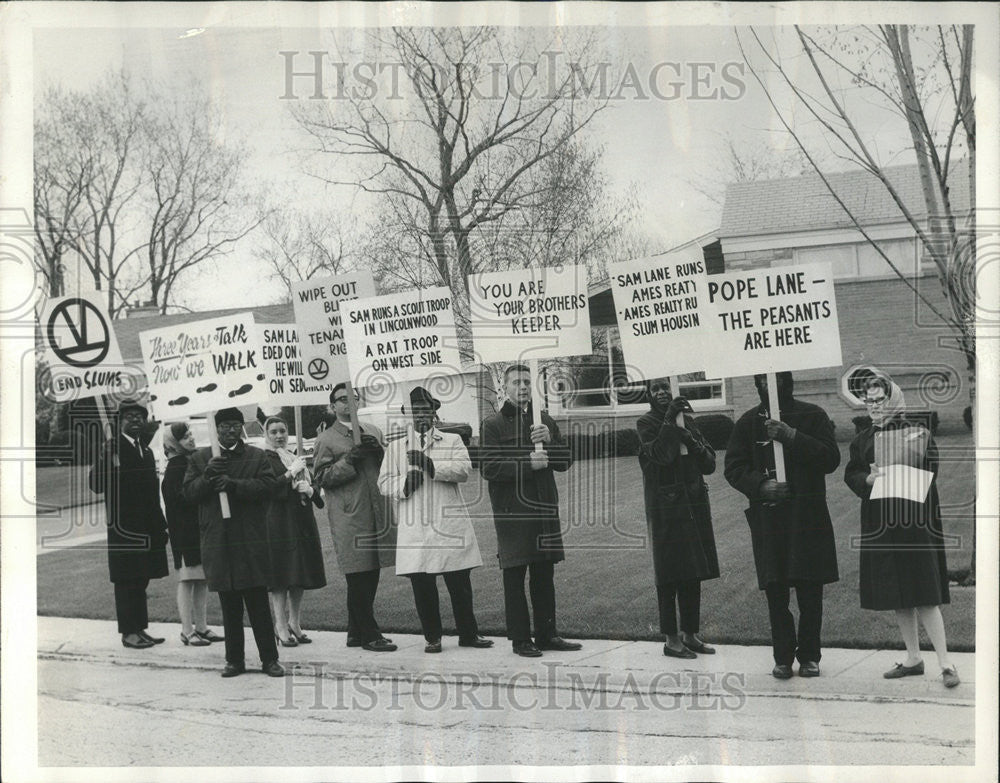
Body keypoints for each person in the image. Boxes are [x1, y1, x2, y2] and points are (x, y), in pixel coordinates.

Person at [844, 375, 959, 688]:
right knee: (897, 592)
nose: (874, 406)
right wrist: (865, 481)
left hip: (913, 521)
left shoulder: (916, 431)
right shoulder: (863, 438)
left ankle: (946, 663)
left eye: (880, 399)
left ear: (892, 399)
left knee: (924, 593)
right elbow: (852, 472)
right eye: (869, 401)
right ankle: (913, 658)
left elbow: (930, 471)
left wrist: (895, 474)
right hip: (881, 522)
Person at [724, 372, 840, 679]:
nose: (767, 384)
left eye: (773, 379)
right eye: (761, 379)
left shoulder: (812, 415)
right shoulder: (748, 423)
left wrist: (791, 436)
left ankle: (810, 656)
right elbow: (734, 467)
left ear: (786, 381)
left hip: (807, 515)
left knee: (810, 590)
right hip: (770, 517)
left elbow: (830, 458)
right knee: (776, 590)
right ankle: (783, 656)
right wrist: (761, 486)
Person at [378, 386, 493, 653]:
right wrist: (405, 483)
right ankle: (432, 637)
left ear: (434, 413)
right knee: (422, 583)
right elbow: (383, 483)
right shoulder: (396, 447)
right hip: (415, 524)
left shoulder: (451, 441)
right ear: (408, 415)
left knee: (459, 582)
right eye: (416, 411)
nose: (421, 415)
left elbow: (464, 470)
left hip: (447, 521)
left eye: (426, 410)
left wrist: (429, 465)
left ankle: (469, 634)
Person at [479, 364, 581, 658]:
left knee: (543, 575)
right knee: (515, 575)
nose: (523, 387)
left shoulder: (544, 420)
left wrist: (551, 439)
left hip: (543, 508)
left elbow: (564, 461)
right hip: (513, 512)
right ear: (505, 388)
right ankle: (521, 639)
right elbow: (489, 467)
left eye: (527, 382)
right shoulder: (493, 424)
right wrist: (528, 463)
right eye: (516, 383)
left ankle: (548, 634)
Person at [182, 407, 285, 678]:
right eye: (225, 425)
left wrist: (234, 485)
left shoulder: (255, 455)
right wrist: (208, 476)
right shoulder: (200, 458)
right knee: (230, 607)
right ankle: (234, 660)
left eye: (235, 425)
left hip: (250, 540)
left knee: (258, 605)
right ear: (216, 428)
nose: (230, 430)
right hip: (219, 541)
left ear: (242, 427)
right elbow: (189, 495)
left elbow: (268, 487)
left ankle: (269, 659)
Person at [636, 379, 719, 659]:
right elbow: (661, 454)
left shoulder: (689, 422)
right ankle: (671, 639)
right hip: (665, 508)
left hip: (693, 503)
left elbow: (709, 463)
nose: (661, 393)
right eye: (655, 389)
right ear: (649, 394)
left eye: (665, 387)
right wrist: (671, 421)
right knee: (669, 573)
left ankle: (690, 634)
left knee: (693, 570)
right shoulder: (645, 424)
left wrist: (690, 438)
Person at [312, 383, 397, 652]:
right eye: (342, 399)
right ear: (333, 406)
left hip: (375, 510)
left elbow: (389, 467)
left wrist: (380, 452)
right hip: (350, 514)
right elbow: (321, 478)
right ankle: (370, 634)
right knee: (358, 574)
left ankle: (354, 631)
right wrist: (349, 460)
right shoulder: (326, 439)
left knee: (371, 571)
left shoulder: (372, 430)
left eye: (354, 398)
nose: (349, 403)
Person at [88, 400, 169, 649]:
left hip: (145, 528)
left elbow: (152, 493)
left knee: (141, 578)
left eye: (139, 416)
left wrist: (160, 525)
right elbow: (95, 485)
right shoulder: (113, 449)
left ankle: (140, 628)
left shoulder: (145, 450)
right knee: (126, 580)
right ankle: (128, 633)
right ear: (119, 421)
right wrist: (105, 457)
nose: (135, 420)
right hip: (123, 529)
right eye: (129, 416)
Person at [261, 415, 327, 647]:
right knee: (281, 576)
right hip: (279, 521)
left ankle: (294, 623)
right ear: (267, 435)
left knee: (299, 573)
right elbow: (267, 488)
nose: (279, 436)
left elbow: (317, 498)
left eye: (282, 431)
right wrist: (289, 473)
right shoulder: (265, 458)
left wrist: (309, 490)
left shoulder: (293, 456)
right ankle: (280, 626)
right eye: (274, 432)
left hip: (300, 519)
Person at [161, 421, 223, 647]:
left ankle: (202, 627)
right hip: (185, 532)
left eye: (190, 434)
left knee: (201, 580)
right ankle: (187, 630)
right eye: (185, 436)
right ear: (174, 443)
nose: (191, 438)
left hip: (199, 529)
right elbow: (183, 499)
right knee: (188, 579)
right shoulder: (176, 466)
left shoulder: (189, 461)